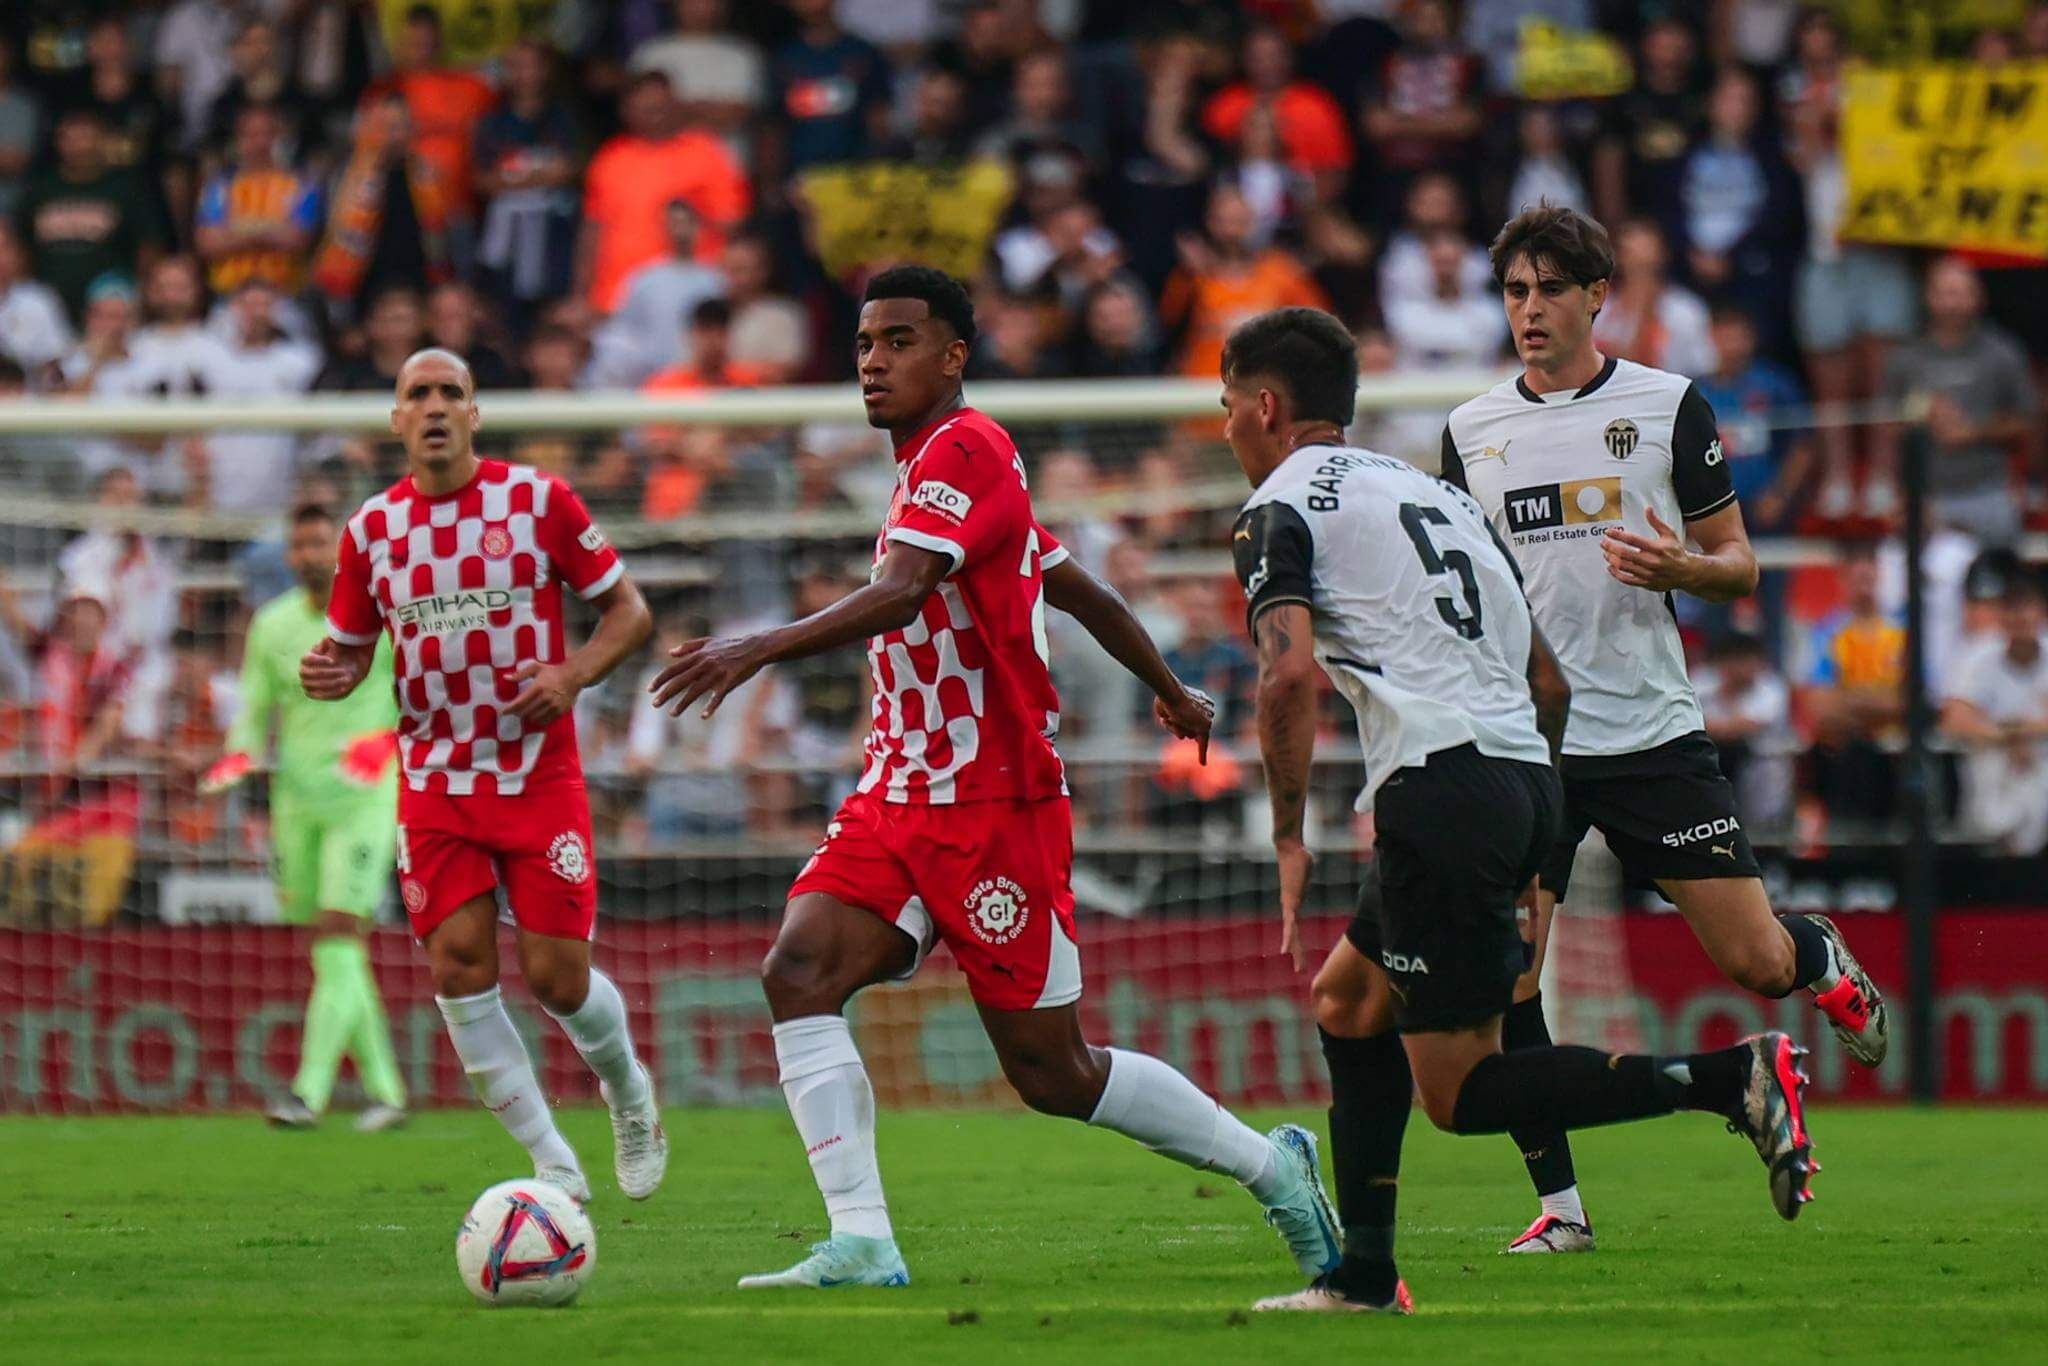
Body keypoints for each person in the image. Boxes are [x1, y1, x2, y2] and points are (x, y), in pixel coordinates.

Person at [645, 266, 1342, 1291]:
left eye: (899, 341)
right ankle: (863, 1241)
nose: (874, 361)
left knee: (1054, 1072)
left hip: (990, 803)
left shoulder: (967, 450)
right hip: (896, 792)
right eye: (864, 343)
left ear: (954, 355)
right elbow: (1075, 587)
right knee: (798, 971)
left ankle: (1271, 1165)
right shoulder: (933, 472)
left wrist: (755, 646)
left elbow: (902, 592)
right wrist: (1169, 688)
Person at [1223, 307, 1821, 1315]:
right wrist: (1530, 824)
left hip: (1438, 788)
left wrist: (1287, 835)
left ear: (1267, 407)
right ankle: (1363, 1274)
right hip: (1521, 771)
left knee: (1458, 1092)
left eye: (1229, 405)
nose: (1226, 426)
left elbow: (1284, 679)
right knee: (1348, 1003)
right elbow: (1548, 680)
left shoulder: (1277, 506)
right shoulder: (1430, 493)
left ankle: (1730, 1077)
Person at [1438, 205, 1886, 1253]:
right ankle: (1561, 1212)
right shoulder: (1468, 432)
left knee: (1755, 963)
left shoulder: (1667, 404)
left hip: (1649, 734)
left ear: (1598, 295)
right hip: (1529, 747)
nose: (1530, 309)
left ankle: (1818, 957)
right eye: (1515, 291)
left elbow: (1739, 562)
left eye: (1551, 289)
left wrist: (1684, 566)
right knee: (1509, 982)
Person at [300, 347, 665, 1205]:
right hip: (435, 782)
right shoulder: (370, 532)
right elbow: (351, 650)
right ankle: (552, 1163)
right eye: (417, 394)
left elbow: (629, 612)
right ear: (397, 419)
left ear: (474, 413)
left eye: (449, 393)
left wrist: (572, 675)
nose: (434, 406)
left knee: (558, 979)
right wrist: (333, 671)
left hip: (536, 776)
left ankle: (629, 1093)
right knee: (459, 970)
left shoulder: (537, 501)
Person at [205, 502, 408, 1132]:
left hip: (365, 796)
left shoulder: (382, 616)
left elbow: (419, 699)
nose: (309, 556)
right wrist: (239, 754)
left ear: (343, 550)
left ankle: (308, 1093)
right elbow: (254, 707)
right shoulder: (272, 625)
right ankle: (386, 1092)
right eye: (299, 546)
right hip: (296, 799)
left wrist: (388, 741)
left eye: (320, 543)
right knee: (332, 944)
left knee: (339, 929)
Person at [1942, 568, 2048, 856]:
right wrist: (2007, 738)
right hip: (1995, 760)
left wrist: (2024, 733)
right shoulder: (1980, 656)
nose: (2021, 618)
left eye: (2028, 609)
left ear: (2042, 613)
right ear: (2002, 616)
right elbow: (1954, 720)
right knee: (1995, 766)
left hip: (2040, 758)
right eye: (2013, 610)